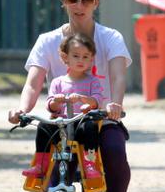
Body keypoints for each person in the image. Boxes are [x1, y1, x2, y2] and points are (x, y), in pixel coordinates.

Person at [8, 0, 131, 192]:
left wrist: (114, 104)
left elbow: (118, 77)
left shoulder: (110, 38)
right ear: (63, 1)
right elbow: (33, 82)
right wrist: (22, 110)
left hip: (99, 120)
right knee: (51, 190)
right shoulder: (48, 41)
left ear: (96, 2)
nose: (80, 4)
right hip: (64, 124)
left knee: (114, 150)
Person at [22, 33, 104, 180]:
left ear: (91, 59)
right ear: (65, 57)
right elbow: (51, 106)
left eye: (86, 57)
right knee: (43, 126)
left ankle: (89, 164)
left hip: (81, 123)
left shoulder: (93, 81)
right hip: (62, 125)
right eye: (76, 56)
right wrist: (56, 101)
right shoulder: (58, 82)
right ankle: (41, 164)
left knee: (90, 127)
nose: (81, 60)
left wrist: (83, 100)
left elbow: (97, 100)